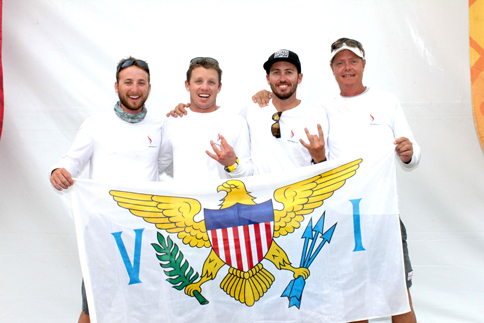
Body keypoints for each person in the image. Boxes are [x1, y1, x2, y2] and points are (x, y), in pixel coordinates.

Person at [252, 39, 420, 323]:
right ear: (332, 69)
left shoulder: (386, 101)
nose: (347, 68)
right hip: (342, 217)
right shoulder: (322, 109)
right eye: (340, 63)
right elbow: (322, 165)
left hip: (383, 212)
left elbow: (412, 153)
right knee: (352, 296)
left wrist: (409, 153)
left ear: (363, 65)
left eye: (353, 61)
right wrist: (263, 96)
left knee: (397, 292)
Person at [50, 57, 162, 323]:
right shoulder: (95, 124)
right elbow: (71, 161)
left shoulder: (160, 126)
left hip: (145, 231)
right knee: (94, 305)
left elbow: (171, 160)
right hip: (103, 229)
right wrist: (58, 171)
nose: (134, 88)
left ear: (148, 87)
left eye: (141, 83)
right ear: (116, 86)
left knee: (146, 305)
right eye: (128, 82)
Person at [168, 49, 329, 174]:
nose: (282, 78)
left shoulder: (317, 115)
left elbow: (328, 167)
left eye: (289, 72)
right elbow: (211, 118)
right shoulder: (252, 110)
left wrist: (319, 157)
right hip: (261, 209)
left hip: (303, 205)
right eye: (276, 72)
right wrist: (187, 109)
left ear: (299, 78)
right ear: (268, 78)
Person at [157, 57, 252, 180]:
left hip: (224, 199)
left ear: (219, 87)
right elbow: (156, 167)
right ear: (187, 85)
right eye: (198, 81)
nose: (205, 87)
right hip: (185, 199)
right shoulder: (172, 122)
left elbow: (249, 174)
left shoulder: (236, 122)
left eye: (211, 82)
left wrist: (232, 164)